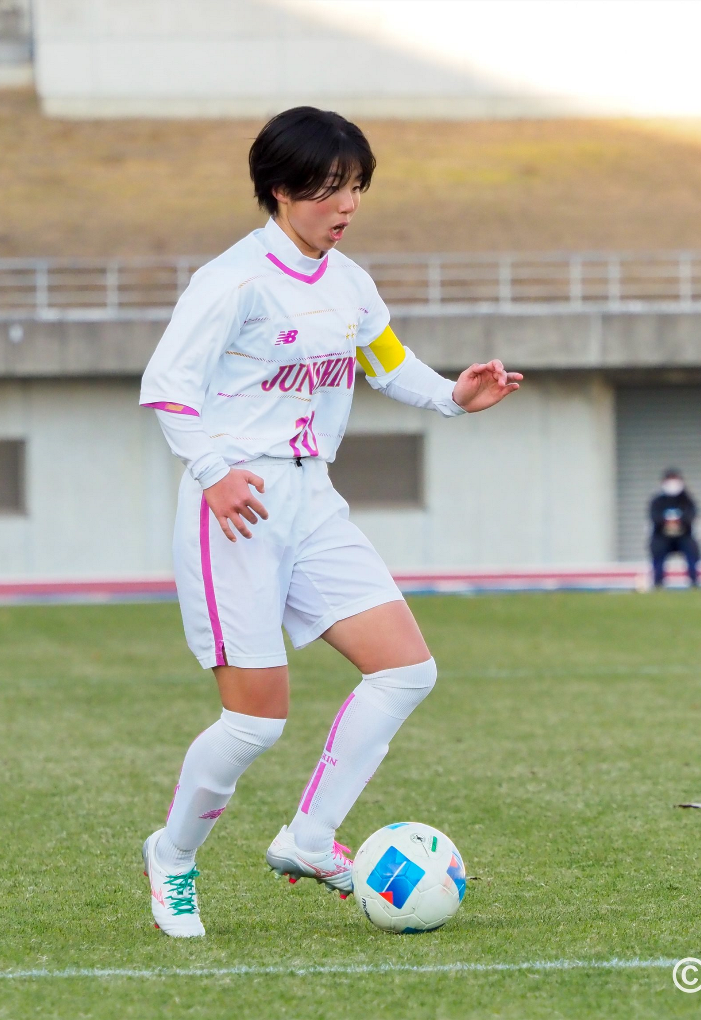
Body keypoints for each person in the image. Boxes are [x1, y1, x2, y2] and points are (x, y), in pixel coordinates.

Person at [136, 107, 522, 937]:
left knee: (406, 671)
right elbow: (167, 386)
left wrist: (455, 396)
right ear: (280, 190)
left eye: (355, 188)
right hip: (235, 509)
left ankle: (309, 837)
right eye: (329, 189)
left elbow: (389, 364)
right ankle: (172, 856)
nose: (345, 206)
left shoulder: (349, 282)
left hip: (313, 500)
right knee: (253, 724)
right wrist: (212, 474)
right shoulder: (232, 281)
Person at [649, 468, 700, 588]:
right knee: (657, 548)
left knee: (692, 548)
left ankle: (694, 582)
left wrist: (680, 522)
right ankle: (658, 582)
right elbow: (654, 517)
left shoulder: (687, 500)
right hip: (662, 536)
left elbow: (691, 516)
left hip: (684, 535)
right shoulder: (657, 501)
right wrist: (666, 522)